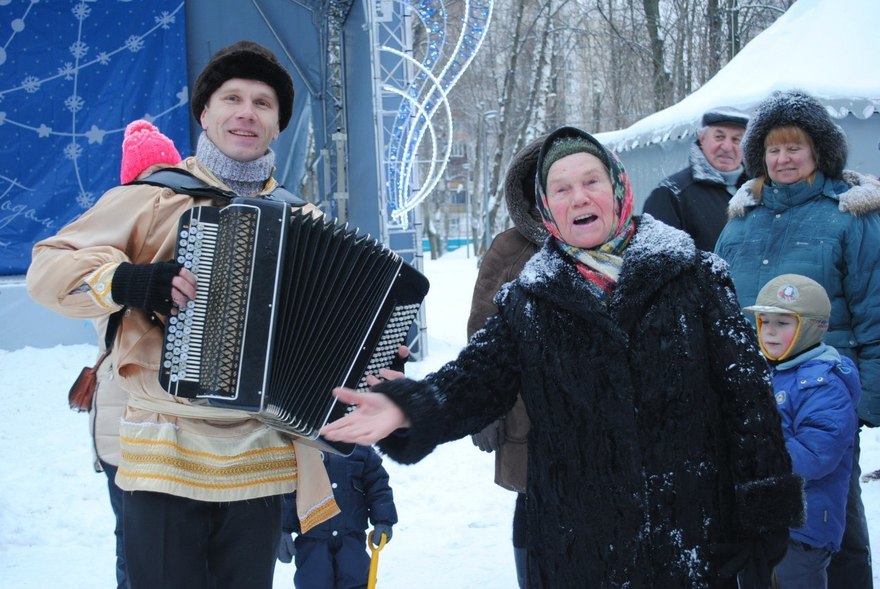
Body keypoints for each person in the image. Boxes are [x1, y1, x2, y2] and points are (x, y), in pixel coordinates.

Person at [321, 125, 804, 588]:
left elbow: (748, 399)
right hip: (582, 544)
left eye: (591, 181)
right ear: (546, 209)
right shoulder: (527, 301)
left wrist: (763, 513)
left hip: (694, 530)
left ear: (617, 188)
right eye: (561, 188)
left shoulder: (696, 275)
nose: (579, 197)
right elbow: (472, 381)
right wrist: (408, 406)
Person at [26, 40, 340, 589]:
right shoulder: (152, 199)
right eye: (232, 98)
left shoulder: (302, 217)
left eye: (263, 104)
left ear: (277, 125)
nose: (246, 112)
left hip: (259, 460)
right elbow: (47, 270)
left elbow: (331, 325)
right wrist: (128, 281)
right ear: (205, 112)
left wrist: (370, 346)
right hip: (166, 455)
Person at [715, 88, 880, 589]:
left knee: (833, 514)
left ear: (819, 151)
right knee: (754, 508)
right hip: (748, 390)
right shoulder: (741, 219)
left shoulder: (850, 216)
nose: (783, 159)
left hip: (821, 394)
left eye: (795, 147)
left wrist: (866, 401)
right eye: (772, 149)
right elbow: (717, 306)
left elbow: (875, 309)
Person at [86, 118, 183, 589]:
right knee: (142, 550)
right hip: (131, 428)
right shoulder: (113, 249)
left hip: (128, 430)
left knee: (140, 546)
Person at [743, 274, 859, 589]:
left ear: (811, 327)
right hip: (766, 519)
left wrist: (753, 451)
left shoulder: (823, 384)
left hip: (804, 527)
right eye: (764, 321)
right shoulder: (767, 371)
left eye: (783, 323)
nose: (769, 331)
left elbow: (817, 455)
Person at [467, 134, 547, 589]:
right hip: (526, 412)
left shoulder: (615, 244)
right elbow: (482, 330)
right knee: (533, 507)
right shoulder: (509, 248)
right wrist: (485, 404)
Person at [276, 445, 398, 589]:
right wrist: (281, 529)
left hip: (351, 537)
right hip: (312, 537)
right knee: (314, 582)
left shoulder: (359, 446)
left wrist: (383, 520)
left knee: (356, 578)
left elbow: (378, 484)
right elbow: (286, 491)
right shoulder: (301, 446)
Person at [643, 106, 749, 251]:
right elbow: (656, 262)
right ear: (702, 138)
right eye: (719, 137)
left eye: (736, 140)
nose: (727, 146)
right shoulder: (671, 194)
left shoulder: (759, 191)